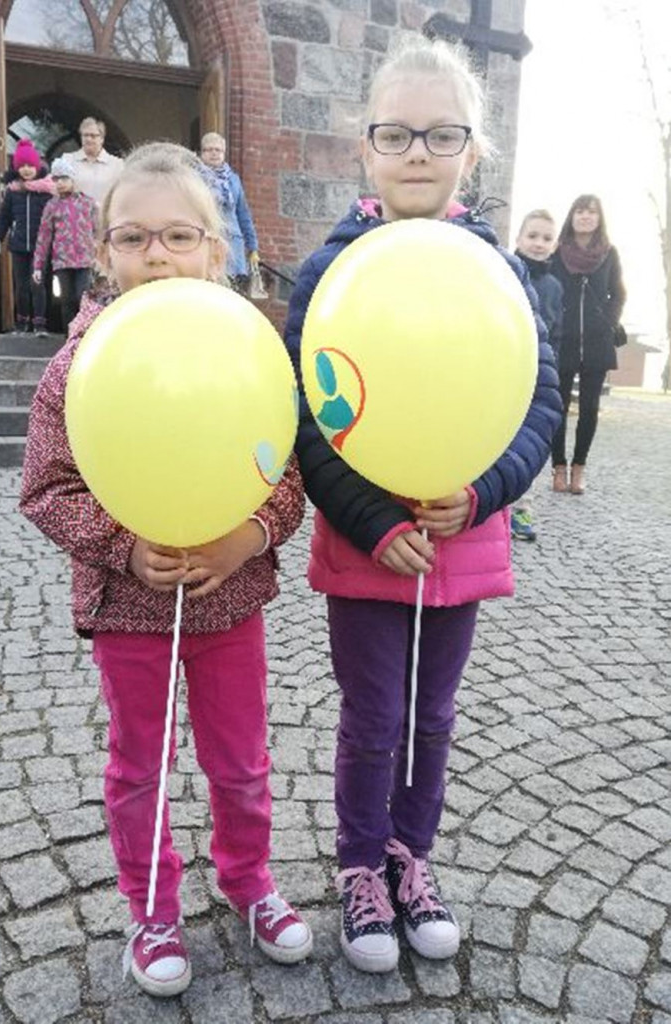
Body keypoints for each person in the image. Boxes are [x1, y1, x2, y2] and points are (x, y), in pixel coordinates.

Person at [284, 36, 561, 974]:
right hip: (372, 542)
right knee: (373, 713)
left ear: (471, 154)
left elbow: (540, 400)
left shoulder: (503, 274)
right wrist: (376, 520)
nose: (415, 153)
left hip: (463, 535)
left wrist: (483, 490)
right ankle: (361, 864)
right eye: (395, 133)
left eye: (440, 136)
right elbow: (308, 414)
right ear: (363, 148)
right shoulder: (331, 271)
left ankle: (413, 857)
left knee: (433, 714)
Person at [19, 141, 312, 998]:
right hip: (126, 609)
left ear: (216, 250)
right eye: (135, 239)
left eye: (179, 237)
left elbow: (288, 476)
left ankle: (249, 879)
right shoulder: (78, 366)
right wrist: (124, 548)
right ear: (104, 252)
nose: (157, 256)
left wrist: (249, 537)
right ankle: (151, 905)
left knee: (241, 758)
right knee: (138, 765)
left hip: (232, 603)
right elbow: (46, 488)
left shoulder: (252, 355)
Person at [549, 194, 626, 494]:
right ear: (572, 216)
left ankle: (579, 469)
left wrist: (606, 321)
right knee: (559, 406)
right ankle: (558, 468)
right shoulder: (557, 252)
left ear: (599, 218)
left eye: (591, 212)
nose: (585, 216)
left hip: (596, 342)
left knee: (590, 408)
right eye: (580, 211)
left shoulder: (609, 253)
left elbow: (619, 293)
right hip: (563, 340)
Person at [511, 209, 564, 540]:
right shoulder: (504, 271)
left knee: (527, 444)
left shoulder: (555, 287)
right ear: (518, 239)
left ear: (555, 245)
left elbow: (555, 332)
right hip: (507, 372)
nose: (538, 243)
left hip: (536, 374)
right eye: (532, 236)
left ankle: (521, 509)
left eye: (546, 238)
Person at [0, 139, 52, 335]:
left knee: (38, 285)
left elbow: (54, 221)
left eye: (30, 165)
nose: (26, 170)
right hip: (18, 246)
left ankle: (40, 324)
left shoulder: (46, 192)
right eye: (22, 166)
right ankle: (22, 323)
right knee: (21, 287)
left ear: (37, 166)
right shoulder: (12, 192)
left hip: (40, 247)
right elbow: (4, 218)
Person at [32, 156, 99, 331]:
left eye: (64, 178)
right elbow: (44, 236)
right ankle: (69, 337)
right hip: (62, 261)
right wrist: (38, 266)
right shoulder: (52, 206)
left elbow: (98, 232)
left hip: (85, 260)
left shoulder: (88, 203)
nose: (60, 183)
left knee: (82, 297)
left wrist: (101, 256)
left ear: (73, 179)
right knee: (66, 300)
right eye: (56, 179)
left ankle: (85, 333)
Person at [199, 132, 259, 292]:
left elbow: (243, 214)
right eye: (209, 150)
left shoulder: (233, 180)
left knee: (233, 291)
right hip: (208, 242)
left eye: (218, 150)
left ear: (224, 153)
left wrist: (252, 246)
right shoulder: (194, 178)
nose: (214, 154)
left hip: (234, 245)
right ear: (202, 153)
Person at [69, 116, 124, 205]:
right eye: (85, 135)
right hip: (75, 216)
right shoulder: (68, 161)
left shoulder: (117, 165)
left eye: (93, 136)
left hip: (103, 216)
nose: (88, 139)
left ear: (102, 139)